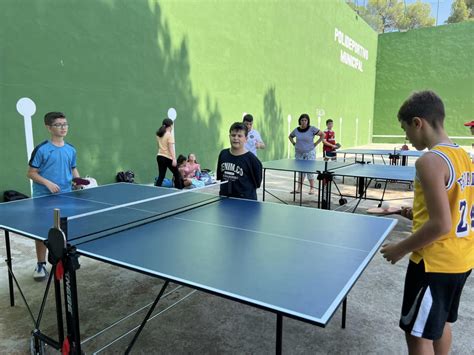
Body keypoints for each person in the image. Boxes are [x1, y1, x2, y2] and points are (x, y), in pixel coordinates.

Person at [380, 91, 473, 355]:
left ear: (418, 122)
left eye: (405, 128)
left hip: (433, 263)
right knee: (439, 323)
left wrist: (401, 248)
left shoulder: (429, 161)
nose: (406, 136)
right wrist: (414, 213)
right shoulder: (464, 157)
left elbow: (441, 224)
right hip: (461, 259)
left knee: (417, 335)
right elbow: (454, 209)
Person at [27, 112, 81, 281]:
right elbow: (31, 173)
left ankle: (63, 261)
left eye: (65, 124)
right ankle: (41, 264)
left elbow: (73, 169)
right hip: (43, 197)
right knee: (42, 231)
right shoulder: (42, 149)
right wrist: (47, 183)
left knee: (65, 231)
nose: (63, 127)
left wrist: (78, 181)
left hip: (66, 196)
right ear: (48, 127)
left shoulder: (71, 149)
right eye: (58, 125)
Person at [217, 122, 262, 200]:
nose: (236, 138)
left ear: (246, 139)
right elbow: (221, 176)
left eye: (240, 136)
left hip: (245, 202)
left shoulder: (252, 160)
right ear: (229, 136)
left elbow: (257, 183)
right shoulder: (223, 154)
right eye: (233, 135)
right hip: (225, 200)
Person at [288, 113, 324, 194]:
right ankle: (298, 189)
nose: (304, 122)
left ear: (308, 121)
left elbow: (322, 135)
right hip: (299, 153)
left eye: (305, 120)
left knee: (309, 171)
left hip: (309, 153)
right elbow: (290, 136)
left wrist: (316, 144)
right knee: (300, 171)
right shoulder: (296, 130)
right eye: (302, 120)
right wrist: (294, 143)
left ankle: (312, 189)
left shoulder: (312, 129)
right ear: (299, 121)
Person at [155, 118, 183, 189]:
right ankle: (179, 189)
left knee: (161, 175)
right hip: (167, 157)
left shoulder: (158, 135)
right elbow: (171, 148)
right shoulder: (169, 135)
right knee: (177, 173)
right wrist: (174, 159)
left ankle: (155, 190)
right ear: (170, 126)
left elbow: (158, 146)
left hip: (159, 156)